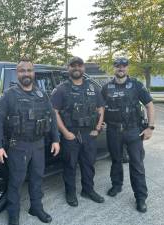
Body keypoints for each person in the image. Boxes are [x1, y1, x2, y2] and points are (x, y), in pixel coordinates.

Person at [0, 58, 60, 225]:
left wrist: (56, 139)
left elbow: (52, 116)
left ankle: (36, 207)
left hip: (38, 144)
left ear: (33, 73)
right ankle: (13, 214)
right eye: (22, 71)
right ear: (17, 74)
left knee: (37, 178)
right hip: (18, 145)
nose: (26, 74)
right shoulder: (9, 95)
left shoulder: (41, 94)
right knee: (16, 181)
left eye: (29, 70)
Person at [101, 57, 155, 213]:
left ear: (127, 68)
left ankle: (140, 197)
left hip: (133, 130)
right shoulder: (106, 88)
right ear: (114, 68)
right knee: (116, 161)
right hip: (113, 131)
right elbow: (101, 108)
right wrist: (101, 122)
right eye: (118, 66)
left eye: (124, 66)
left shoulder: (136, 85)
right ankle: (116, 185)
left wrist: (150, 127)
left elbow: (149, 106)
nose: (121, 68)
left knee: (136, 164)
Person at [50, 56, 105, 207]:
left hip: (89, 133)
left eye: (79, 65)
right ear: (68, 68)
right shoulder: (61, 89)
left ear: (83, 68)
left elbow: (100, 108)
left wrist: (97, 128)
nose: (76, 68)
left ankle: (88, 190)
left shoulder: (93, 88)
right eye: (73, 66)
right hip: (71, 134)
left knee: (88, 164)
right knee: (70, 165)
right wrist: (66, 133)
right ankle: (70, 192)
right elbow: (54, 112)